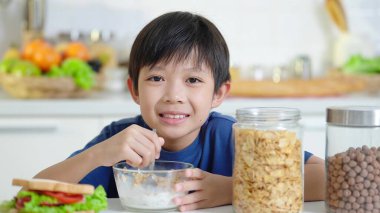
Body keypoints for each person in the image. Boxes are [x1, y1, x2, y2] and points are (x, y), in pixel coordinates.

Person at [34, 11, 325, 211]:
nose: (174, 96)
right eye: (156, 78)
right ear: (134, 90)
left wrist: (233, 188)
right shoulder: (118, 140)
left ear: (218, 94)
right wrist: (97, 155)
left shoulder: (232, 136)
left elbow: (328, 178)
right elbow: (32, 197)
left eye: (193, 80)